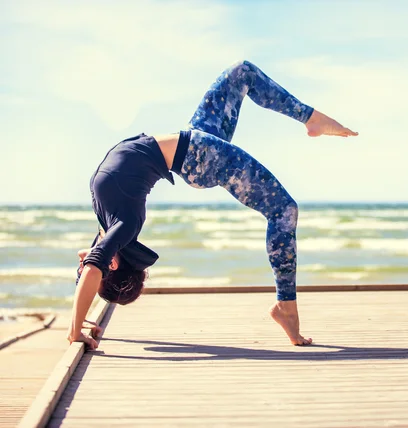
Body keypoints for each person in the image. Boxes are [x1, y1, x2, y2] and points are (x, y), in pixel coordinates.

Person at [68, 60, 358, 349]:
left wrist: (79, 319)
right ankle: (287, 307)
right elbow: (94, 266)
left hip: (193, 143)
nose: (84, 263)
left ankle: (310, 118)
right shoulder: (124, 225)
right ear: (113, 262)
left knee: (242, 71)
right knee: (284, 210)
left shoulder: (108, 226)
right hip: (201, 155)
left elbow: (91, 262)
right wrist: (74, 330)